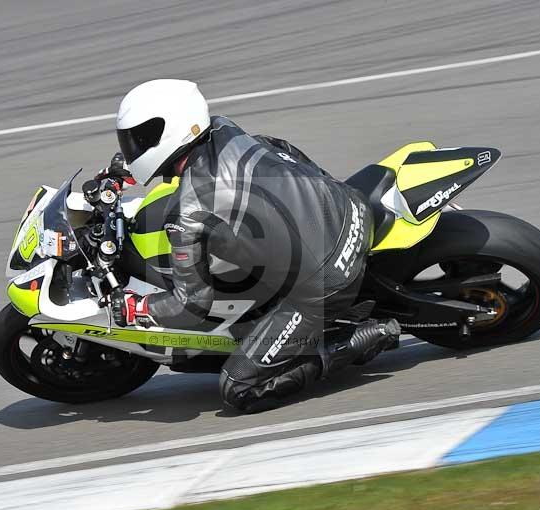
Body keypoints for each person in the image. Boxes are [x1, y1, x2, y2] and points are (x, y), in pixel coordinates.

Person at [104, 79, 399, 413]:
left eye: (140, 139)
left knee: (239, 387)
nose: (134, 148)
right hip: (347, 204)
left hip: (325, 279)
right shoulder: (223, 129)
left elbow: (192, 305)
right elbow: (280, 147)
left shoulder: (189, 210)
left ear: (170, 130)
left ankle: (357, 342)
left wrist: (137, 309)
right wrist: (119, 174)